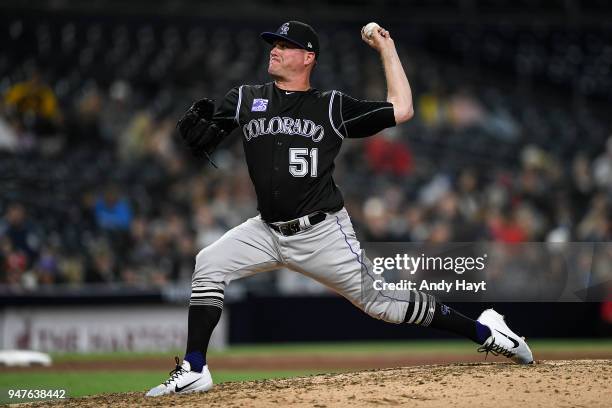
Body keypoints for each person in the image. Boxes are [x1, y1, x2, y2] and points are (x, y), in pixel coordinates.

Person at [146, 21, 533, 397]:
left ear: (308, 57)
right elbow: (202, 137)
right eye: (273, 44)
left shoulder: (330, 106)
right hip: (266, 230)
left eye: (285, 45)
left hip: (322, 233)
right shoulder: (247, 98)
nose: (275, 50)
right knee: (209, 263)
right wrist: (189, 139)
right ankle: (195, 368)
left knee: (382, 305)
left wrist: (387, 48)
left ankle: (487, 332)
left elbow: (402, 109)